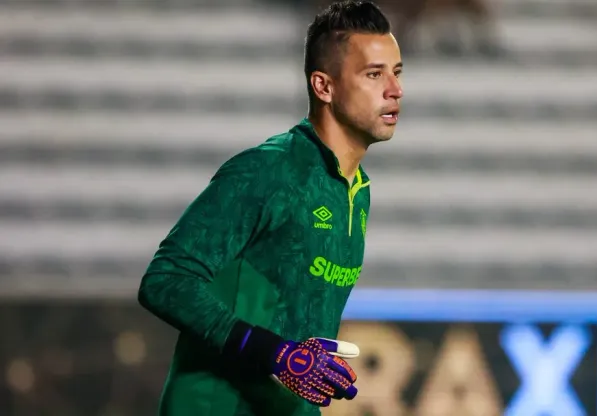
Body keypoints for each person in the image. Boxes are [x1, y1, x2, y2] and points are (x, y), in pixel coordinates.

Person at [136, 1, 403, 415]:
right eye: (374, 74)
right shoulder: (268, 170)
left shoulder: (358, 190)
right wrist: (273, 352)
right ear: (324, 86)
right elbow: (166, 279)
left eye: (396, 73)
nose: (394, 89)